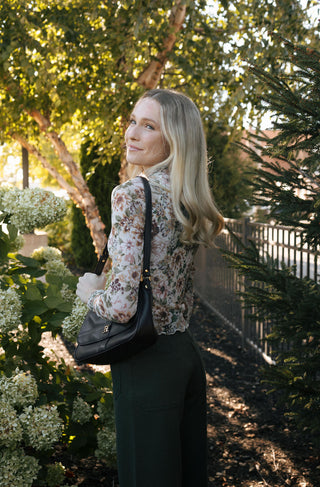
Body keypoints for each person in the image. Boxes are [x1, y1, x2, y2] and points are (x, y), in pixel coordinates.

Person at [76, 89, 224, 487]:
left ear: (173, 140)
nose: (132, 133)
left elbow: (123, 306)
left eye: (149, 125)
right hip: (184, 356)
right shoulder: (185, 198)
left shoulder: (131, 195)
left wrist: (90, 290)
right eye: (132, 120)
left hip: (145, 359)